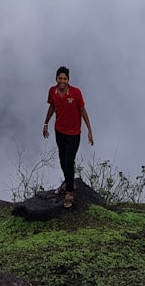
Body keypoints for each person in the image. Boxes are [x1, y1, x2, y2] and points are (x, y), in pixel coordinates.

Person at [42, 65, 94, 208]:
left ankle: (69, 192)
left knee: (69, 161)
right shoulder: (52, 91)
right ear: (56, 79)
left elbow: (83, 111)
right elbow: (52, 107)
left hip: (74, 133)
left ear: (68, 80)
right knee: (62, 160)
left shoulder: (76, 93)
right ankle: (68, 181)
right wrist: (45, 123)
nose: (62, 81)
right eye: (60, 78)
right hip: (59, 131)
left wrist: (89, 130)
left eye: (65, 79)